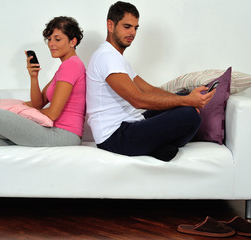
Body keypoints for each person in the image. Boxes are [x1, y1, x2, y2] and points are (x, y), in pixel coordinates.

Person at [86, 1, 215, 161]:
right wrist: (186, 102)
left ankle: (155, 146)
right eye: (127, 27)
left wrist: (186, 100)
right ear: (110, 25)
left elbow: (148, 90)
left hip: (129, 124)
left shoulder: (116, 58)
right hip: (115, 136)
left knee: (182, 98)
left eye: (135, 28)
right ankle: (158, 146)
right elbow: (138, 100)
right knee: (190, 116)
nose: (132, 32)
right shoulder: (106, 57)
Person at [0, 16, 86, 147]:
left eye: (57, 39)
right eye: (49, 39)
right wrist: (34, 77)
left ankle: (12, 142)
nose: (51, 44)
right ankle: (11, 143)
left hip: (64, 134)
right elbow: (39, 103)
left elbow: (53, 114)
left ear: (73, 42)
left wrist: (20, 112)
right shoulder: (66, 67)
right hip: (56, 131)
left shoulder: (71, 66)